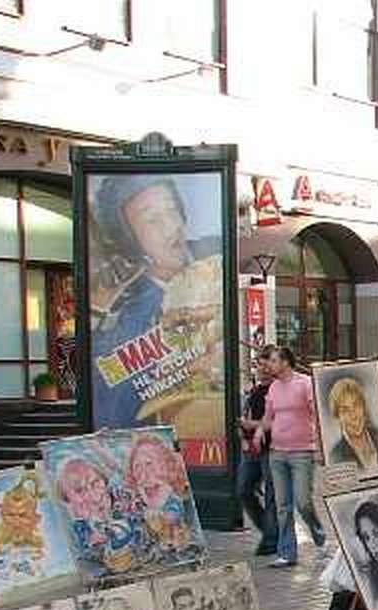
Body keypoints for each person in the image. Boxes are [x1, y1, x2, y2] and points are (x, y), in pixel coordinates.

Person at [89, 175, 221, 429]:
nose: (172, 227)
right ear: (129, 240)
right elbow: (114, 415)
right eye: (153, 219)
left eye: (172, 210)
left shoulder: (217, 257)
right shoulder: (129, 319)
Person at [255, 346, 326, 568]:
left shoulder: (304, 384)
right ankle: (287, 552)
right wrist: (259, 431)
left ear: (285, 362)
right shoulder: (274, 388)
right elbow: (268, 418)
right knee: (282, 505)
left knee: (303, 501)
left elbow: (317, 414)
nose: (270, 365)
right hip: (277, 453)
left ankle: (319, 535)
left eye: (274, 361)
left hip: (302, 452)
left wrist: (320, 446)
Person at [237, 353, 278, 556]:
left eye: (264, 366)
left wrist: (251, 425)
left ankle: (271, 540)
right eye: (257, 365)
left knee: (272, 495)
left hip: (272, 448)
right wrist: (244, 432)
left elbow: (278, 422)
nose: (260, 370)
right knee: (244, 489)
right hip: (252, 449)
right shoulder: (254, 390)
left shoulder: (277, 390)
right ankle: (270, 531)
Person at [326, 377, 378, 471]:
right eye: (345, 410)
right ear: (338, 417)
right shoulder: (336, 456)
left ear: (364, 407)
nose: (353, 415)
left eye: (356, 405)